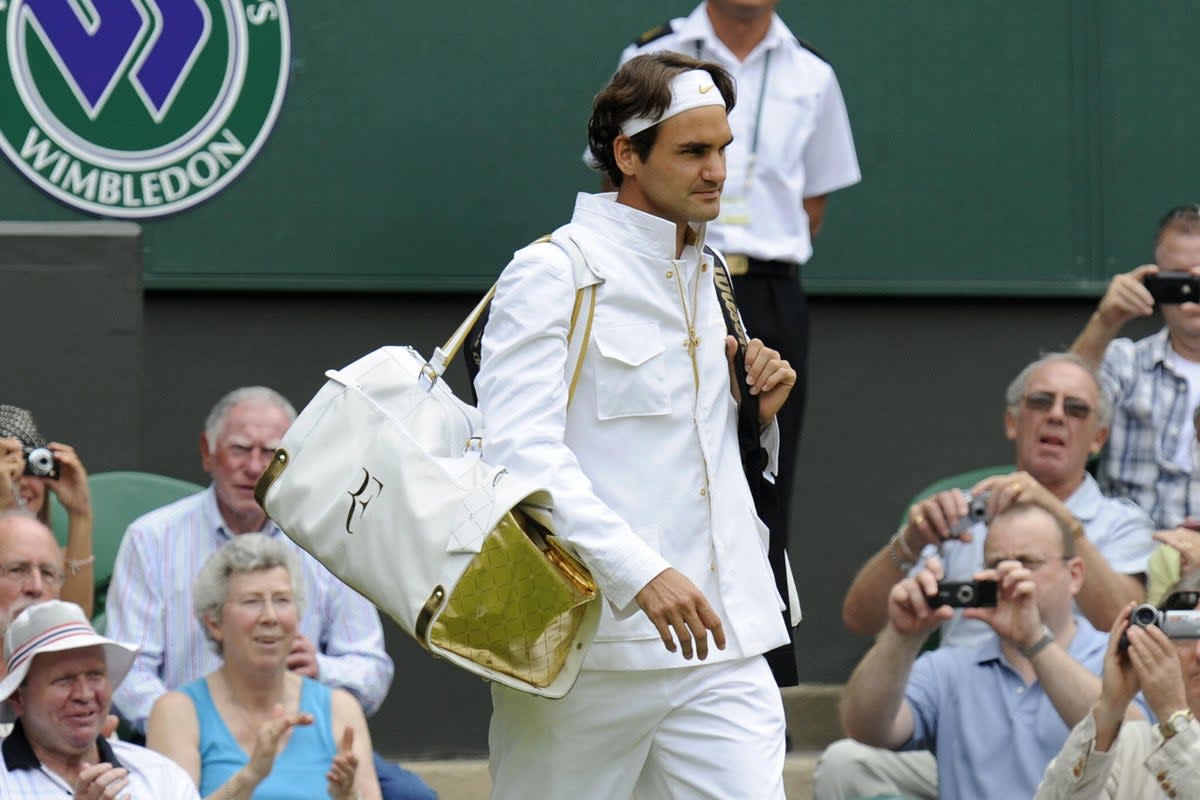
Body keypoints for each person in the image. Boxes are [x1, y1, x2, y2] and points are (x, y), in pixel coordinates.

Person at [476, 51, 799, 799]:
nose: (716, 170)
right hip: (585, 653)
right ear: (627, 154)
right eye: (693, 151)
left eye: (722, 148)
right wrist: (641, 571)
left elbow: (702, 455)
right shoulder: (551, 270)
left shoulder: (711, 271)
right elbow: (518, 452)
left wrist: (758, 418)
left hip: (725, 643)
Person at [819, 353, 1154, 799]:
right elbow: (862, 621)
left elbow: (1122, 621)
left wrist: (1060, 518)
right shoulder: (960, 512)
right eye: (1040, 402)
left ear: (1099, 438)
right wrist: (912, 544)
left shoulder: (1119, 523)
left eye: (1075, 409)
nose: (1056, 415)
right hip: (966, 709)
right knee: (846, 762)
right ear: (1012, 422)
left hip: (1075, 710)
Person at [602, 0, 861, 564]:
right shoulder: (650, 52)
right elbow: (619, 181)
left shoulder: (812, 72)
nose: (714, 165)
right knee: (658, 454)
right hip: (664, 280)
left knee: (767, 472)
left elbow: (812, 202)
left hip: (768, 291)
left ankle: (766, 639)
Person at [105, 386, 435, 800]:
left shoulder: (328, 542)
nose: (255, 467)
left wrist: (320, 669)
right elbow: (127, 670)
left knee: (412, 796)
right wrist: (188, 721)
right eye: (240, 450)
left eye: (273, 454)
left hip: (304, 733)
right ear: (207, 452)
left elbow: (370, 666)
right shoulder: (151, 538)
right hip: (185, 736)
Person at [836, 502, 1135, 800]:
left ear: (1075, 576)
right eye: (994, 565)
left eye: (1027, 563)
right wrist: (901, 637)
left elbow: (1135, 742)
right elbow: (865, 729)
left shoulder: (1117, 656)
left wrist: (1034, 642)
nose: (1008, 577)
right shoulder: (952, 668)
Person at [147, 534, 380, 800]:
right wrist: (252, 775)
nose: (270, 617)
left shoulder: (340, 708)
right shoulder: (178, 712)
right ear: (214, 622)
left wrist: (348, 796)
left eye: (282, 600)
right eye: (252, 601)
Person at [1071, 204, 1200, 529]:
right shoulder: (1124, 362)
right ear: (1156, 282)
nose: (1191, 295)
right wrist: (1105, 321)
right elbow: (1060, 405)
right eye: (1178, 280)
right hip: (1125, 557)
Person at [0, 600, 201, 797]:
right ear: (18, 698)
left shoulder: (161, 776)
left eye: (95, 675)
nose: (85, 694)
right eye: (64, 680)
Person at [1035, 577, 1200, 798]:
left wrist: (1173, 717)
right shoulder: (1129, 745)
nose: (1199, 653)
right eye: (1190, 632)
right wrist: (1110, 707)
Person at [0, 405, 96, 616]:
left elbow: (72, 629)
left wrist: (80, 514)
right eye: (9, 466)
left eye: (31, 468)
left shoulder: (51, 563)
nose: (20, 481)